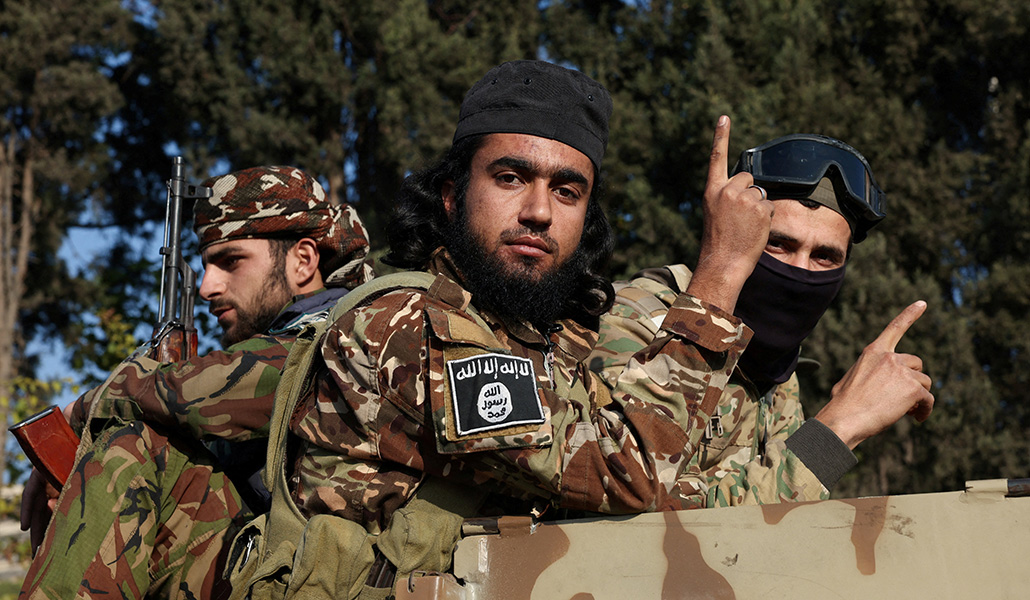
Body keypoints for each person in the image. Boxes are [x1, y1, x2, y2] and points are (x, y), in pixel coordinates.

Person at [228, 60, 782, 597]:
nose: (538, 211)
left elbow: (662, 490)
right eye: (510, 177)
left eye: (567, 191)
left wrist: (817, 450)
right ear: (451, 195)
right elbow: (627, 470)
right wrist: (720, 275)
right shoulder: (407, 325)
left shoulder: (549, 338)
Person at [19, 165, 374, 599]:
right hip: (274, 563)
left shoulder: (345, 334)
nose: (208, 286)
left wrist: (80, 413)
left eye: (231, 261)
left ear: (303, 260)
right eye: (206, 265)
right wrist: (82, 472)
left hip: (323, 575)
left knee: (135, 446)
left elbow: (204, 389)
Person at [591, 133, 935, 508]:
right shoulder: (633, 320)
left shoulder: (781, 377)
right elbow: (649, 511)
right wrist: (838, 429)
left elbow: (765, 538)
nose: (799, 271)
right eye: (779, 244)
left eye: (824, 256)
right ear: (742, 235)